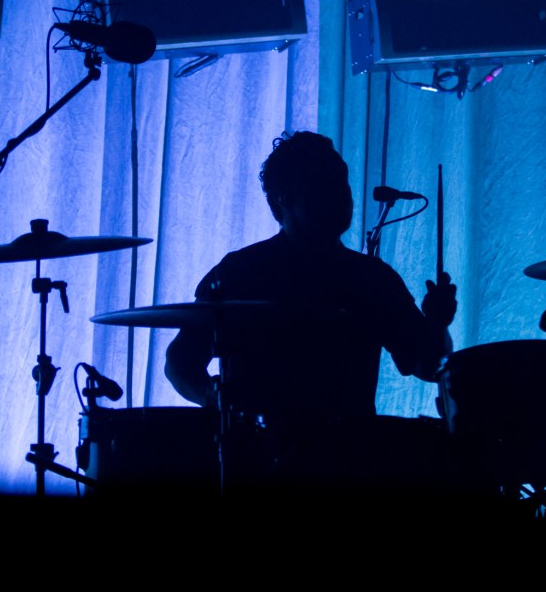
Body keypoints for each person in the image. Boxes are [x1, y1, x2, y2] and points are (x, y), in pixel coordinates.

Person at [164, 130, 457, 493]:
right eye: (325, 182)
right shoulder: (240, 273)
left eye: (342, 180)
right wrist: (218, 402)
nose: (343, 194)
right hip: (258, 467)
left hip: (351, 466)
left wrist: (437, 324)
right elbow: (181, 364)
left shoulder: (373, 277)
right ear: (285, 197)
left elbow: (428, 366)